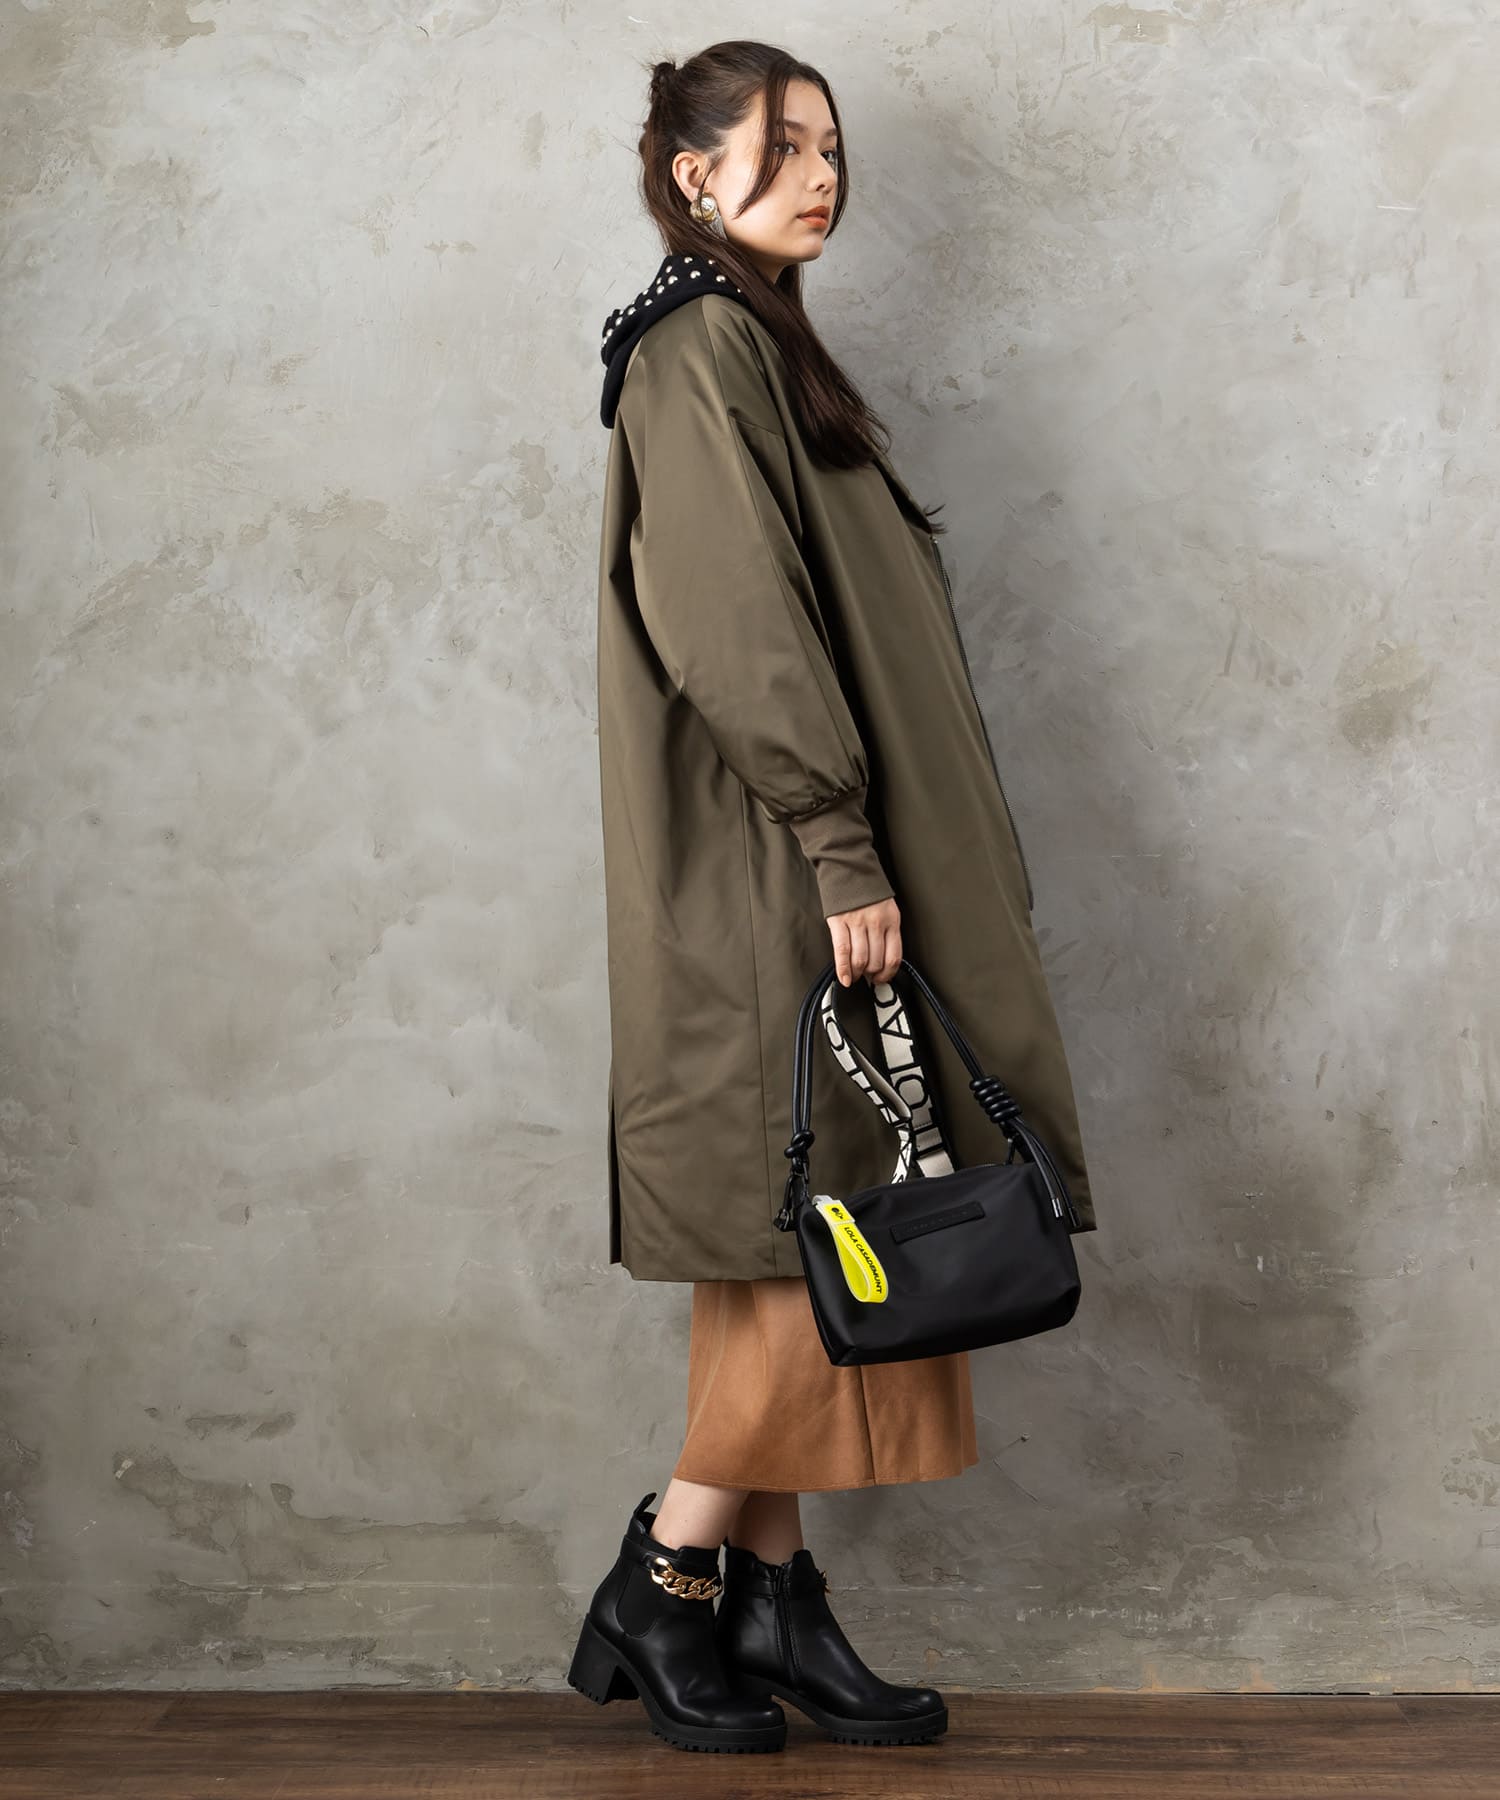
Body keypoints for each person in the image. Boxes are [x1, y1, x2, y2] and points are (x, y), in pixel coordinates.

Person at [569, 39, 1098, 1754]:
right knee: (815, 1226)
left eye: (833, 148)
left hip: (803, 862)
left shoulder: (758, 337)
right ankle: (667, 1576)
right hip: (777, 877)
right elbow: (733, 621)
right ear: (692, 173)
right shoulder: (699, 349)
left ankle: (772, 1606)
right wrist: (840, 843)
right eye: (784, 146)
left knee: (791, 1236)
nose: (821, 173)